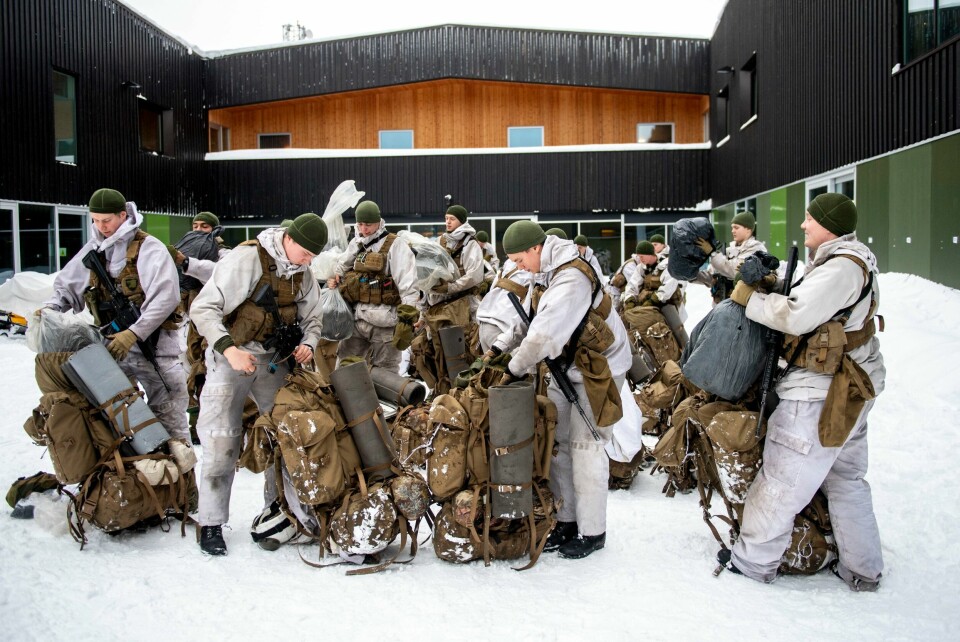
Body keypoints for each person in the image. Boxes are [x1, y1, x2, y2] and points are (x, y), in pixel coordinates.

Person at [720, 193, 885, 592]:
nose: (803, 225)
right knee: (846, 479)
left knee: (782, 477)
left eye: (810, 219)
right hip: (849, 388)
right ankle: (862, 568)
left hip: (820, 392)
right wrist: (775, 283)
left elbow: (796, 315)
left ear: (827, 224)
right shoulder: (845, 261)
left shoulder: (842, 267)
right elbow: (810, 300)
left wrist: (749, 297)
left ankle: (753, 562)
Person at [190, 213, 327, 556]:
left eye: (313, 257)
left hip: (273, 361)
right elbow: (203, 309)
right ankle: (210, 523)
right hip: (232, 357)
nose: (308, 262)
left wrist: (309, 343)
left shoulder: (303, 273)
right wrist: (229, 350)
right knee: (222, 440)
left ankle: (281, 510)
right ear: (290, 240)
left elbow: (314, 317)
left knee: (286, 436)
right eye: (306, 253)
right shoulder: (246, 258)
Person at [498, 221, 631, 559]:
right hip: (566, 365)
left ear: (536, 248)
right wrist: (499, 349)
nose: (517, 266)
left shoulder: (571, 277)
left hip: (598, 369)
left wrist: (513, 369)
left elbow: (544, 335)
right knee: (559, 445)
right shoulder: (544, 272)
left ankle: (592, 531)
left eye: (518, 259)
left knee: (586, 447)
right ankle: (567, 520)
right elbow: (527, 317)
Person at [44, 188, 190, 444]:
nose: (101, 226)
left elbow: (166, 298)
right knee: (116, 425)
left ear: (123, 215)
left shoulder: (150, 249)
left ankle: (180, 481)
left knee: (171, 424)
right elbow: (67, 286)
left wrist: (134, 333)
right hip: (112, 350)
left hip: (156, 350)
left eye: (107, 220)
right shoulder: (93, 250)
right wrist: (50, 311)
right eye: (95, 220)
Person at [328, 200, 419, 372]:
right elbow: (339, 268)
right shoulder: (356, 243)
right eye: (360, 224)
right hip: (356, 319)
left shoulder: (395, 244)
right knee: (346, 368)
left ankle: (381, 400)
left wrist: (407, 320)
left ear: (379, 221)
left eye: (368, 224)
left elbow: (408, 284)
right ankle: (348, 399)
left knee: (385, 373)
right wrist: (334, 277)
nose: (364, 229)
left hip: (385, 321)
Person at [698, 211, 767, 304]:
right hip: (723, 304)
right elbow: (712, 275)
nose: (733, 231)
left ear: (748, 229)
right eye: (732, 228)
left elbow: (734, 271)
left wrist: (712, 253)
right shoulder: (728, 250)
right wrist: (692, 274)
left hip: (744, 305)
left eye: (736, 228)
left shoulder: (756, 249)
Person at [607, 242, 646, 310]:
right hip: (615, 294)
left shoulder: (636, 264)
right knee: (613, 315)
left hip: (619, 294)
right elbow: (633, 284)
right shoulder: (630, 266)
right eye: (642, 256)